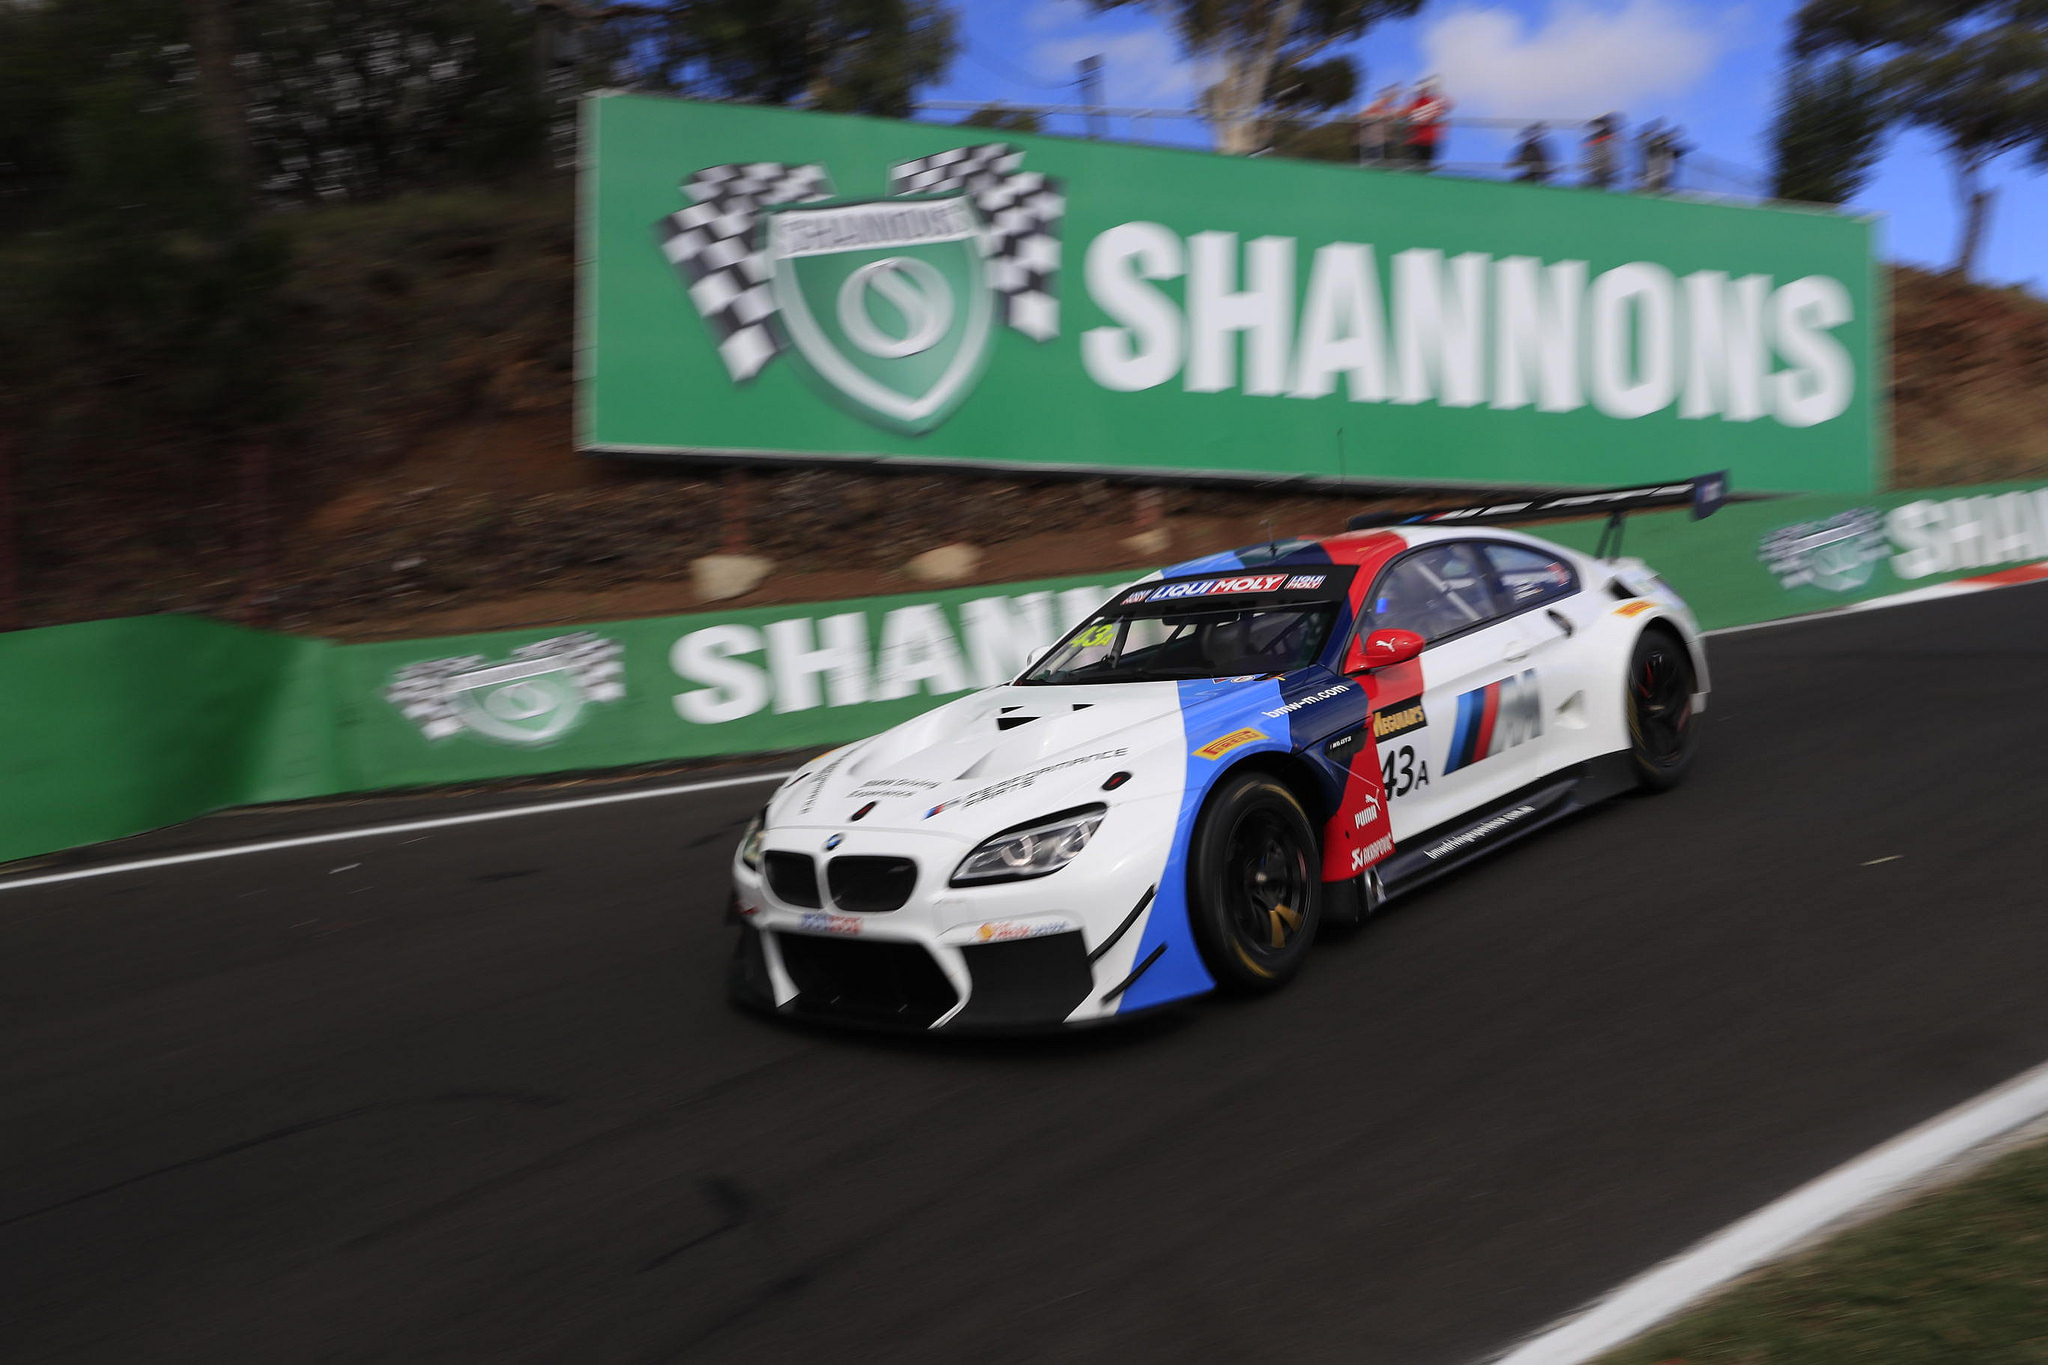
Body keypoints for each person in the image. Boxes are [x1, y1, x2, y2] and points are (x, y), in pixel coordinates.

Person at [1404, 77, 1451, 171]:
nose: (1423, 90)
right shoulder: (1415, 104)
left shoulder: (1432, 102)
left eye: (1425, 88)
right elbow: (1407, 116)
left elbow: (1447, 105)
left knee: (1425, 165)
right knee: (1416, 166)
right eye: (1422, 88)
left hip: (1429, 140)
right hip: (1417, 140)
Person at [1356, 86, 1402, 166]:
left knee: (1379, 165)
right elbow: (1360, 116)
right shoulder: (1371, 107)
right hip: (1369, 142)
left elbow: (1395, 117)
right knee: (1369, 164)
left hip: (1382, 143)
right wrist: (1375, 116)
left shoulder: (1389, 109)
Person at [1583, 112, 1621, 189]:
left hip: (1603, 164)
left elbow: (1608, 140)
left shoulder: (1607, 133)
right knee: (1599, 177)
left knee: (1601, 178)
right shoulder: (1600, 134)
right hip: (1599, 164)